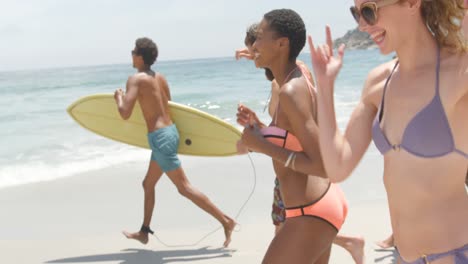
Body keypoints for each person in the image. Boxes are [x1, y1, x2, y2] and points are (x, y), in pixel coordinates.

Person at [308, 0, 468, 263]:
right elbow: (338, 166)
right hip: (403, 258)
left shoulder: (459, 71)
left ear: (412, 3)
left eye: (369, 10)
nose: (362, 24)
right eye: (356, 13)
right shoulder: (377, 82)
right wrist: (325, 87)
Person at [237, 21, 365, 264]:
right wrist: (261, 131)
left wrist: (261, 144)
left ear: (282, 43)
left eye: (259, 39)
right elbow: (296, 140)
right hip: (317, 203)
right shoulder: (296, 77)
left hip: (311, 209)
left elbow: (321, 164)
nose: (253, 46)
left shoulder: (290, 89)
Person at [114, 37, 236, 247]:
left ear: (141, 56)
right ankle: (144, 231)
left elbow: (125, 112)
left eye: (133, 52)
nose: (131, 55)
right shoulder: (159, 77)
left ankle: (226, 221)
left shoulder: (135, 79)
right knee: (148, 184)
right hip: (169, 132)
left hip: (160, 139)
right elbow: (169, 104)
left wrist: (118, 97)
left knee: (184, 188)